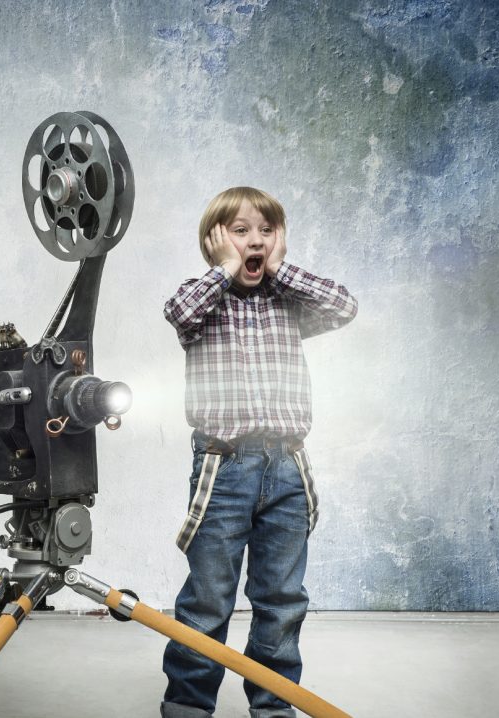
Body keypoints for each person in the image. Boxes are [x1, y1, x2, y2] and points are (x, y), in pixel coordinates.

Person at [161, 187, 357, 718]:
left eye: (266, 230)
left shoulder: (286, 303)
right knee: (208, 597)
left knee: (282, 599)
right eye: (241, 230)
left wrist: (280, 268)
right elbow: (177, 313)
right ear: (215, 242)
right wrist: (226, 269)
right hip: (224, 467)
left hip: (288, 467)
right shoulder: (204, 300)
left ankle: (274, 705)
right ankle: (188, 703)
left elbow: (344, 306)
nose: (255, 241)